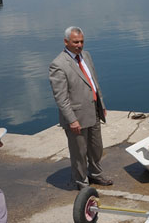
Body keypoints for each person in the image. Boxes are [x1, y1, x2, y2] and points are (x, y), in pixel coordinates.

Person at [49, 26, 113, 189]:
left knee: (96, 148)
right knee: (79, 152)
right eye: (75, 42)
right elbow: (61, 98)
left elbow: (94, 82)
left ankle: (96, 174)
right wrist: (72, 120)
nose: (79, 45)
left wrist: (101, 105)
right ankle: (81, 181)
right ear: (66, 42)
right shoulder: (58, 65)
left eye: (81, 41)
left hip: (93, 112)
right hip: (76, 118)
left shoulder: (86, 56)